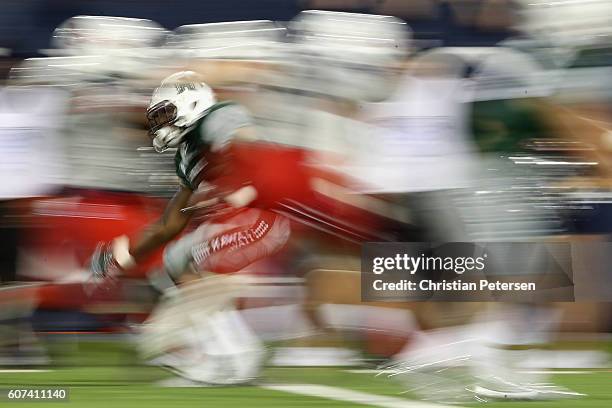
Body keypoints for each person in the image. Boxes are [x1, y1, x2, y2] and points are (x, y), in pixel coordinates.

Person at [89, 71, 290, 384]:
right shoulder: (187, 155)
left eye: (166, 113)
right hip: (244, 220)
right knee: (173, 264)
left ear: (192, 103)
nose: (160, 123)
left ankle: (232, 357)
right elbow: (171, 223)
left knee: (193, 262)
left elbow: (247, 146)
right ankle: (231, 348)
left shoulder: (218, 119)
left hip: (264, 218)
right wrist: (122, 257)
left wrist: (239, 187)